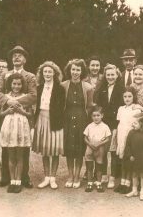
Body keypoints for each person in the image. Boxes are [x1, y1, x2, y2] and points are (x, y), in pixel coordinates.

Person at [0, 45, 37, 188]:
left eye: (20, 55)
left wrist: (16, 101)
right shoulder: (3, 75)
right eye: (14, 55)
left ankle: (24, 177)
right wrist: (8, 101)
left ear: (25, 59)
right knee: (7, 146)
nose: (16, 57)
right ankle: (6, 177)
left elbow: (32, 96)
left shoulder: (30, 76)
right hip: (7, 115)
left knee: (22, 148)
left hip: (22, 116)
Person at [32, 61, 65, 189]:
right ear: (41, 73)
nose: (47, 74)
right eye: (45, 72)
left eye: (50, 72)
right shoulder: (38, 88)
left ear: (54, 73)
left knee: (54, 150)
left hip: (54, 120)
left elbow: (61, 107)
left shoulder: (60, 88)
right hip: (41, 118)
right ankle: (46, 177)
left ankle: (53, 178)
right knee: (45, 151)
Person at [61, 59, 93, 189]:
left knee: (79, 149)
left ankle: (77, 176)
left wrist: (87, 122)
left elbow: (90, 106)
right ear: (69, 70)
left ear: (82, 71)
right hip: (67, 119)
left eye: (78, 70)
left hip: (81, 119)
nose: (75, 72)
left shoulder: (88, 87)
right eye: (73, 69)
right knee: (69, 148)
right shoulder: (63, 85)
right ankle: (70, 176)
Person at [0, 73, 32, 193]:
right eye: (14, 84)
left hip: (21, 128)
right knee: (11, 155)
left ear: (22, 85)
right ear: (10, 84)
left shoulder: (25, 97)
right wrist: (8, 110)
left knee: (20, 155)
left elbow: (30, 114)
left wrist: (22, 111)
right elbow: (1, 114)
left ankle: (18, 181)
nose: (16, 86)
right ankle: (12, 180)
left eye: (19, 84)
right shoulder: (6, 97)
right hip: (9, 127)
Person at [94, 64, 124, 189]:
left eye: (113, 74)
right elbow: (99, 105)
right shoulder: (101, 88)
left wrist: (117, 125)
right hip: (104, 124)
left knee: (113, 152)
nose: (110, 77)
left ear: (117, 75)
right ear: (105, 76)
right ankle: (104, 175)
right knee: (103, 150)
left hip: (115, 124)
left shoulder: (122, 89)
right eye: (108, 75)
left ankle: (113, 177)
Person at [114, 87, 141, 194]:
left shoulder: (137, 109)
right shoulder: (121, 109)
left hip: (130, 136)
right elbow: (120, 123)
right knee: (122, 159)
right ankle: (122, 182)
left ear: (134, 97)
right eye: (125, 96)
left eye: (129, 96)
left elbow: (137, 124)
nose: (127, 98)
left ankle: (128, 183)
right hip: (121, 135)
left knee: (129, 160)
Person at [125, 114, 143, 201]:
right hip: (134, 157)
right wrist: (130, 155)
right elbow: (128, 145)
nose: (133, 125)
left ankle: (142, 192)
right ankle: (134, 190)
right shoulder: (131, 133)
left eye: (135, 123)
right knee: (134, 174)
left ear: (142, 124)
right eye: (133, 123)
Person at [83, 105, 111, 193]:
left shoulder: (105, 126)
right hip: (90, 148)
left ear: (102, 115)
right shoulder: (89, 126)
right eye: (94, 116)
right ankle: (90, 182)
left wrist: (99, 144)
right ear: (91, 116)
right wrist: (90, 144)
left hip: (100, 149)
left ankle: (99, 183)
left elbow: (108, 138)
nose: (96, 117)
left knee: (99, 167)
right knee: (89, 167)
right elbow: (85, 137)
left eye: (98, 115)